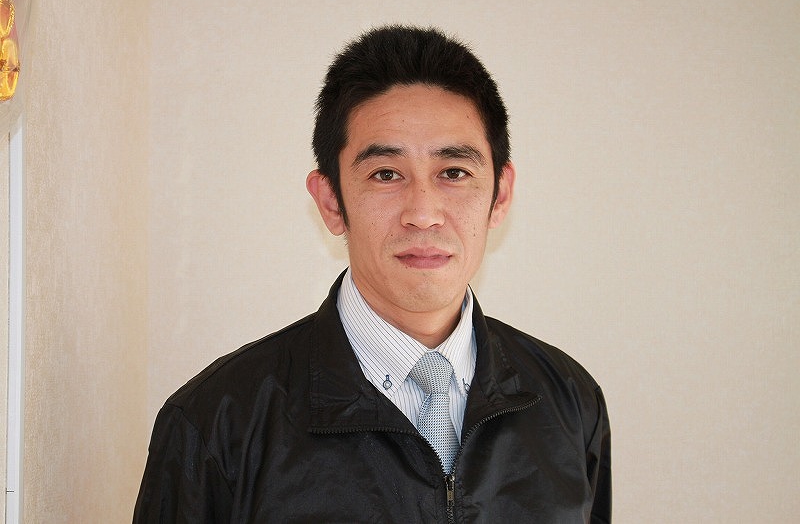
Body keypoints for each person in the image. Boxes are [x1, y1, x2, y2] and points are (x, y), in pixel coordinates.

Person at [134, 25, 611, 523]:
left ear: (500, 195)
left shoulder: (572, 404)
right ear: (331, 201)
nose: (423, 213)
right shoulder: (216, 422)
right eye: (386, 174)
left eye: (454, 173)